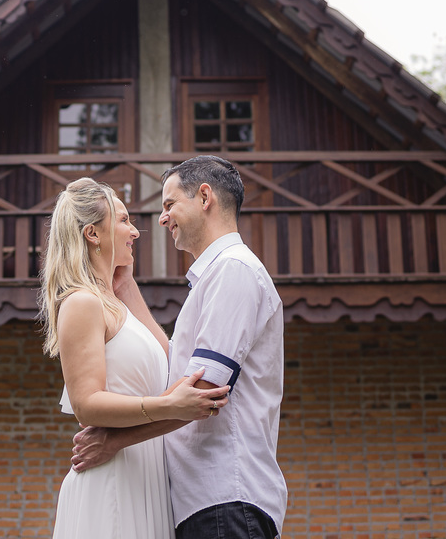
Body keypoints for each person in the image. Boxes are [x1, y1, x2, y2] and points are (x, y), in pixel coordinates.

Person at [72, 156, 287, 539]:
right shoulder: (213, 278)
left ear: (205, 197)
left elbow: (202, 391)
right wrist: (125, 289)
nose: (161, 218)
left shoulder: (233, 269)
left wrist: (113, 442)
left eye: (169, 204)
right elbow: (177, 368)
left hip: (226, 497)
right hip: (205, 503)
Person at [39, 177, 231, 539]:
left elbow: (172, 361)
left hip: (147, 479)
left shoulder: (114, 305)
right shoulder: (82, 303)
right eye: (125, 220)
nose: (135, 231)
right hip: (113, 480)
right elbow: (87, 404)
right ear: (94, 234)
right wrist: (169, 406)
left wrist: (126, 286)